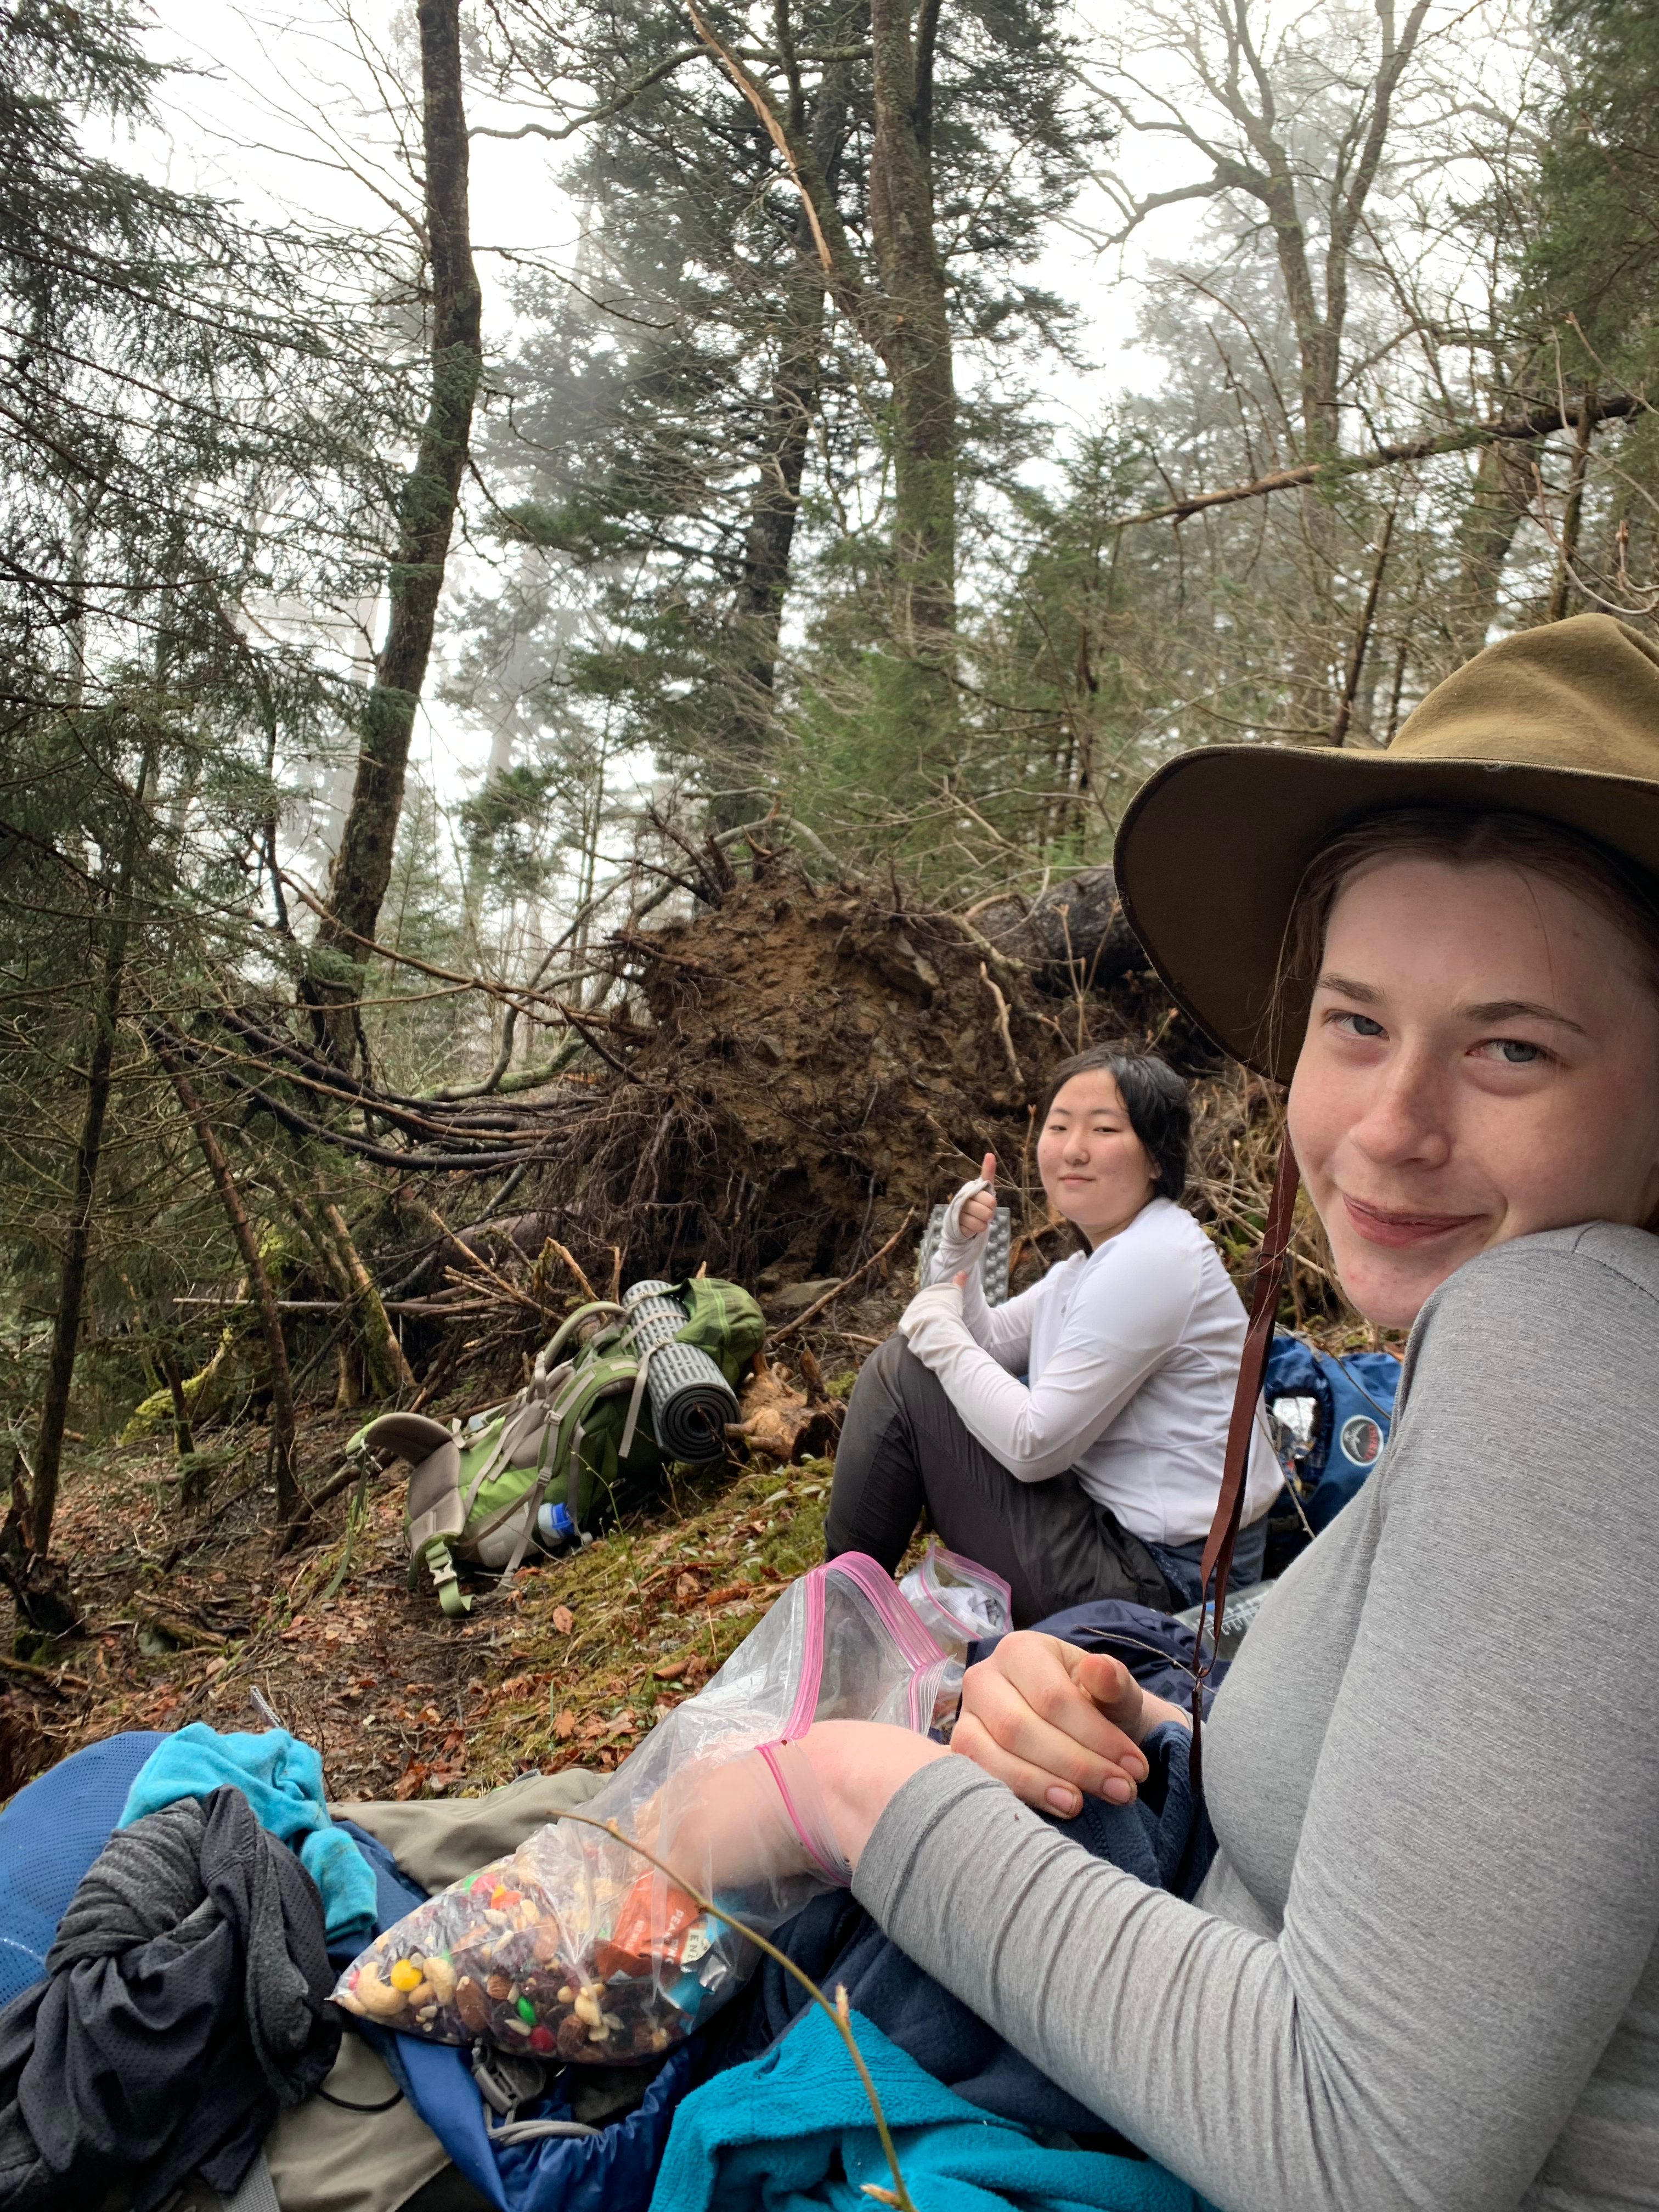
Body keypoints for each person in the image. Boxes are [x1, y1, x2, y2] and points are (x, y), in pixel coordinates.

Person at [737, 614, 1659, 2209]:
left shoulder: (1575, 1334)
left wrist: (842, 1787)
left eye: (1512, 1047)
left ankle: (851, 1614)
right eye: (1356, 1023)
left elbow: (1363, 2157)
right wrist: (1155, 1725)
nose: (1387, 1129)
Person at [826, 1046, 1284, 1621]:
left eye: (1104, 1128)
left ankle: (837, 1616)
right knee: (916, 1365)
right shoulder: (1093, 1265)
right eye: (1059, 1126)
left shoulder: (1152, 1259)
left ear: (1158, 1160)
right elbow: (988, 1342)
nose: (1073, 1149)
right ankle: (841, 1609)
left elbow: (1033, 1446)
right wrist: (959, 1251)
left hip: (1170, 1585)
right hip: (1131, 1546)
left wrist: (936, 1332)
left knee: (905, 1371)